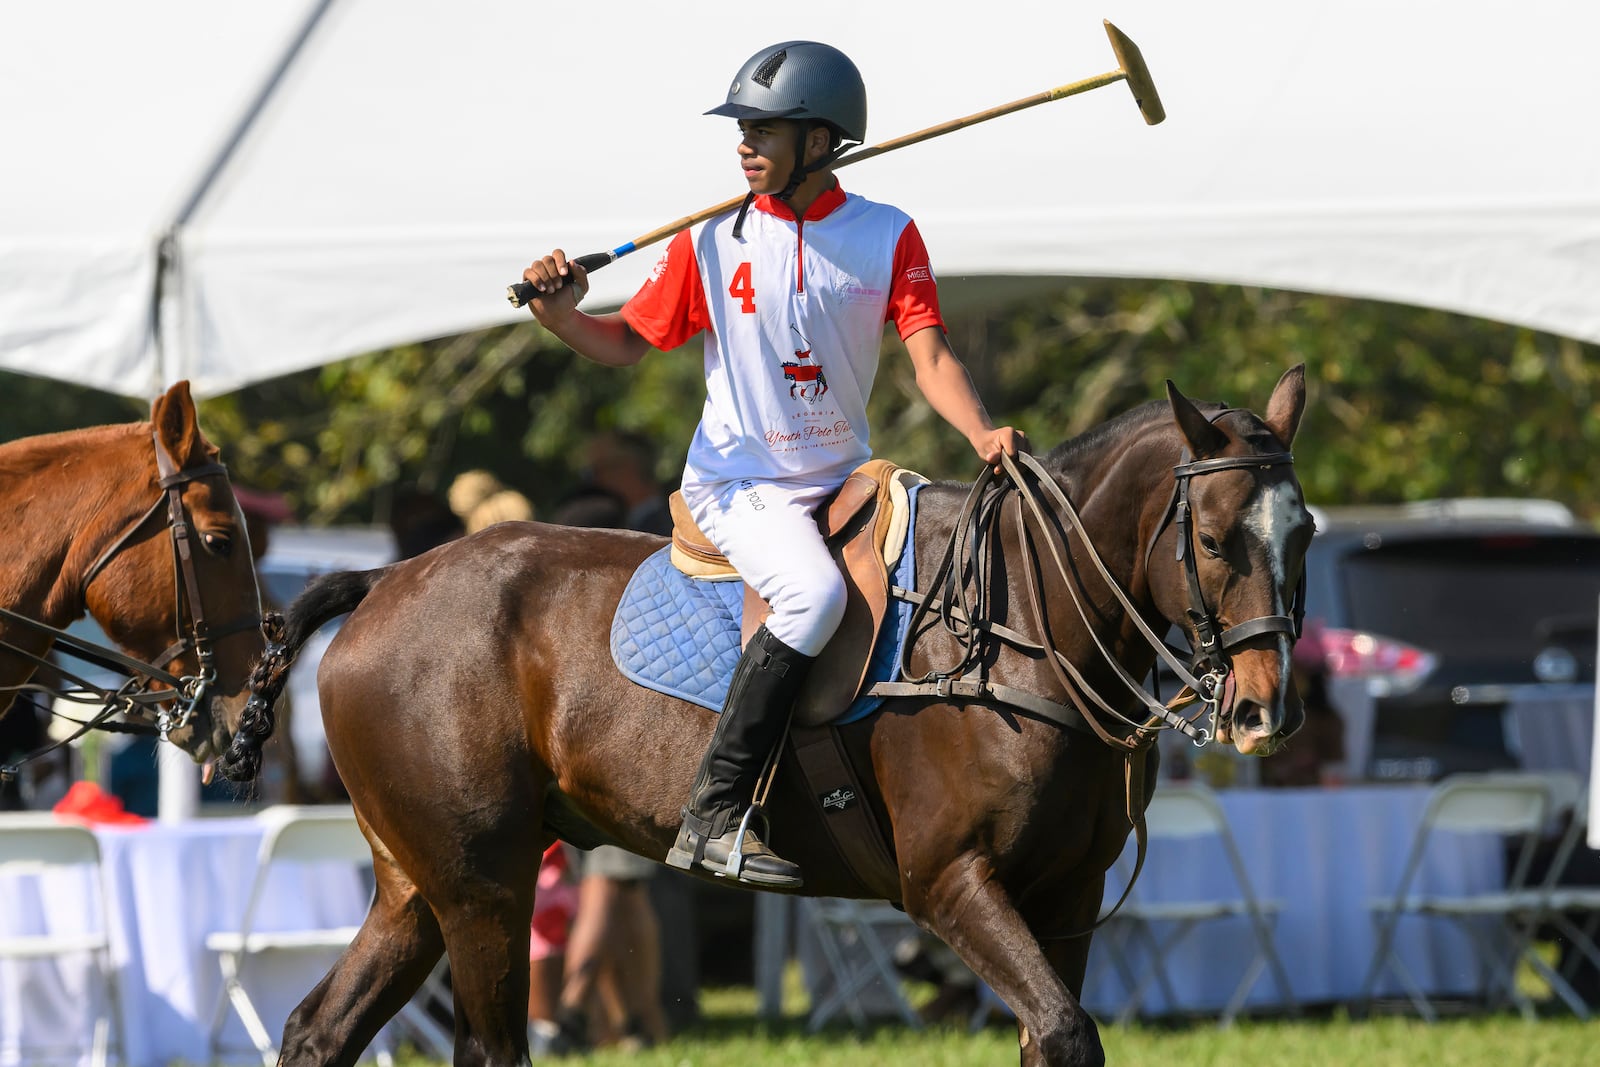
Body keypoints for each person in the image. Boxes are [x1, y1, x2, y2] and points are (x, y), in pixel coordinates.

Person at [522, 39, 1024, 889]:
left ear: (822, 141)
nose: (745, 144)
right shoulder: (712, 239)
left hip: (843, 479)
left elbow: (930, 356)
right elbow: (623, 343)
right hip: (738, 483)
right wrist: (561, 316)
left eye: (766, 128)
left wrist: (982, 432)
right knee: (812, 593)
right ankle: (715, 812)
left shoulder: (887, 235)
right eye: (742, 128)